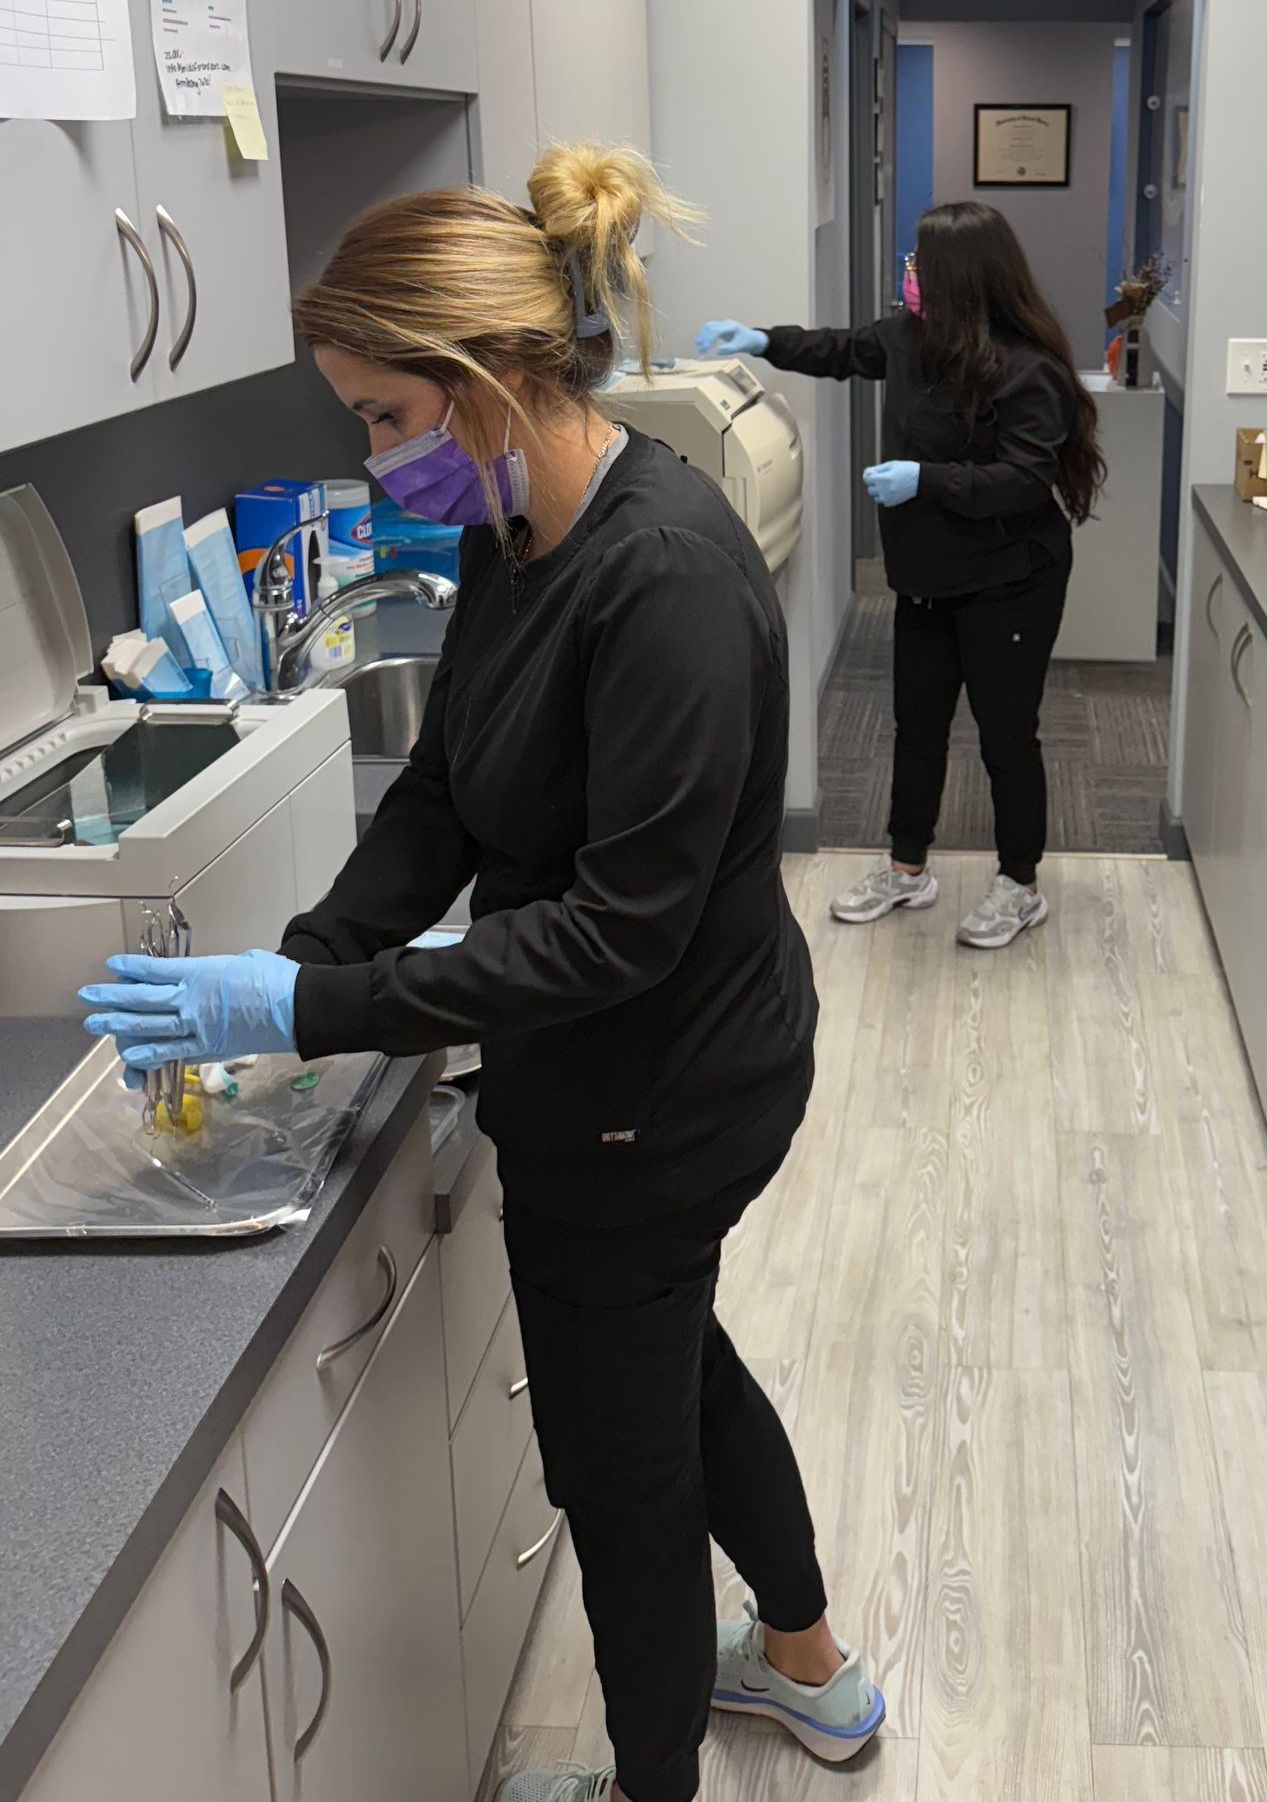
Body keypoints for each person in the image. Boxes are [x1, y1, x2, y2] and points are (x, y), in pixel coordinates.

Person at [79, 144, 884, 1802]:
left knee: (618, 1472)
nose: (376, 459)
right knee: (663, 1361)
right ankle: (809, 1669)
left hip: (653, 1097)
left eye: (384, 417)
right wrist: (309, 958)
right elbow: (445, 787)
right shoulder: (524, 531)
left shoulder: (656, 580)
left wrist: (303, 1015)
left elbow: (612, 934)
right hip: (648, 1074)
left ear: (488, 381)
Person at [697, 198, 1103, 949]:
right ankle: (908, 868)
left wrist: (930, 479)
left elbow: (1024, 479)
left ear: (959, 277)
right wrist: (761, 340)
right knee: (916, 728)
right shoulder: (913, 339)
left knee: (1005, 735)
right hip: (926, 578)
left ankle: (1021, 883)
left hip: (1010, 579)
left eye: (918, 262)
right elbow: (843, 350)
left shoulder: (1027, 370)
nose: (908, 273)